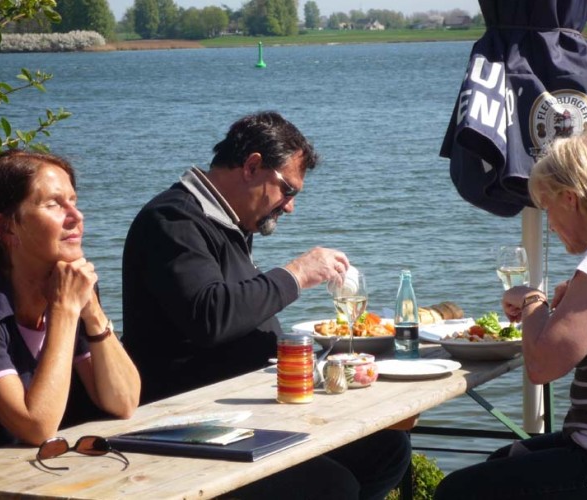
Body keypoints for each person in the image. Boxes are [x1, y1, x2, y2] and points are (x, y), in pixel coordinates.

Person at [122, 111, 411, 499]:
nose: (288, 207)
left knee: (385, 452)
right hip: (191, 422)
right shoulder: (173, 220)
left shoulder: (229, 224)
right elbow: (211, 317)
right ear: (252, 166)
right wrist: (295, 274)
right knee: (330, 486)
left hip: (252, 410)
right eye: (287, 190)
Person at [435, 133, 587, 499]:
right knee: (505, 458)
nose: (549, 224)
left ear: (571, 198)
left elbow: (544, 366)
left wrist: (534, 301)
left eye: (548, 208)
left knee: (456, 491)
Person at [0, 150, 140, 461]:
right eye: (53, 204)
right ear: (5, 228)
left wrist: (90, 310)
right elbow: (36, 425)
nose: (75, 216)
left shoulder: (70, 288)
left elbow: (124, 400)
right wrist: (65, 311)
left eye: (74, 201)